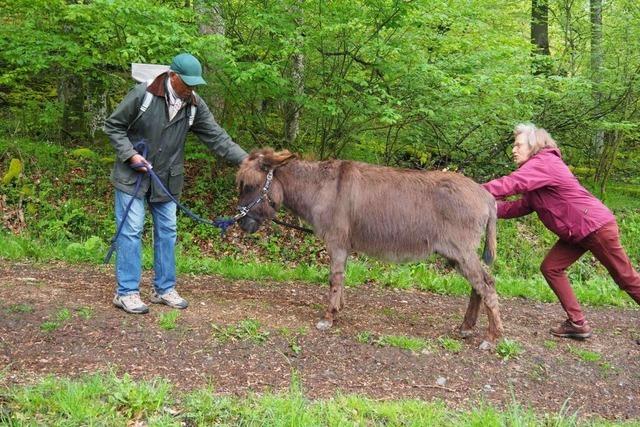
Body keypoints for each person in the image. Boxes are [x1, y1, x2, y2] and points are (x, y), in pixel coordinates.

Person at [104, 53, 248, 314]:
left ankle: (164, 289)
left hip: (167, 181)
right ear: (173, 76)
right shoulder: (143, 94)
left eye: (195, 84)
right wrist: (131, 155)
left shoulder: (194, 105)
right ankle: (126, 292)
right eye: (187, 83)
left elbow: (218, 139)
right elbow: (113, 126)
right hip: (132, 176)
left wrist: (250, 162)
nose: (191, 89)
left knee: (168, 232)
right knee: (131, 230)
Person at [482, 123, 640, 339]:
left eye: (518, 145)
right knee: (551, 268)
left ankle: (577, 322)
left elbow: (512, 183)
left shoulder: (544, 162)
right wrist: (483, 207)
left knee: (625, 278)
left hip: (594, 227)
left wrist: (471, 191)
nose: (513, 150)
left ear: (533, 145)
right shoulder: (537, 176)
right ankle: (577, 323)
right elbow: (518, 206)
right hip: (577, 232)